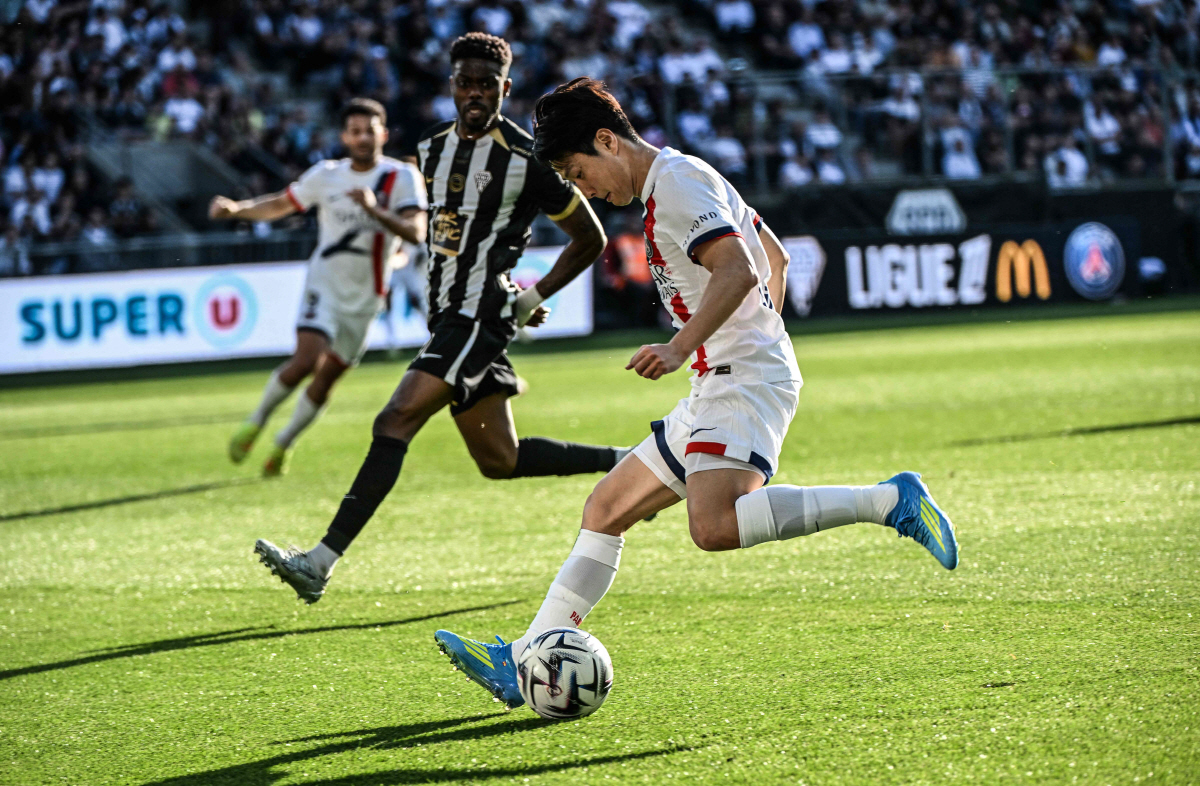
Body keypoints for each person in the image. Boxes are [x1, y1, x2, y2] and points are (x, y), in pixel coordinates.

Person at [434, 78, 959, 709]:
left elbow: (739, 267)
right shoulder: (684, 174)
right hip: (728, 375)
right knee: (605, 509)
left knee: (713, 527)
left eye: (580, 172)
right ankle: (525, 655)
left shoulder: (677, 186)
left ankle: (888, 500)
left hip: (737, 379)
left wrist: (691, 347)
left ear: (607, 140)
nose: (586, 191)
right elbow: (776, 259)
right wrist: (756, 337)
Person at [253, 35, 624, 604]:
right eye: (464, 82)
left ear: (504, 87)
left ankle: (320, 562)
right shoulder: (428, 153)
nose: (474, 93)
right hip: (449, 317)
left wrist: (531, 294)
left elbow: (590, 238)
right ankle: (628, 464)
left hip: (479, 318)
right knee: (500, 460)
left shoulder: (525, 158)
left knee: (394, 419)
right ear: (452, 85)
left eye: (486, 84)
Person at [209, 97, 428, 477]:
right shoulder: (326, 175)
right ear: (344, 136)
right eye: (355, 131)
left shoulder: (402, 178)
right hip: (324, 283)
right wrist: (237, 209)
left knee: (328, 379)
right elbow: (282, 204)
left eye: (369, 131)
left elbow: (415, 231)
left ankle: (284, 442)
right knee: (307, 359)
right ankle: (256, 421)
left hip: (366, 296)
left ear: (384, 134)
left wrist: (375, 210)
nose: (362, 138)